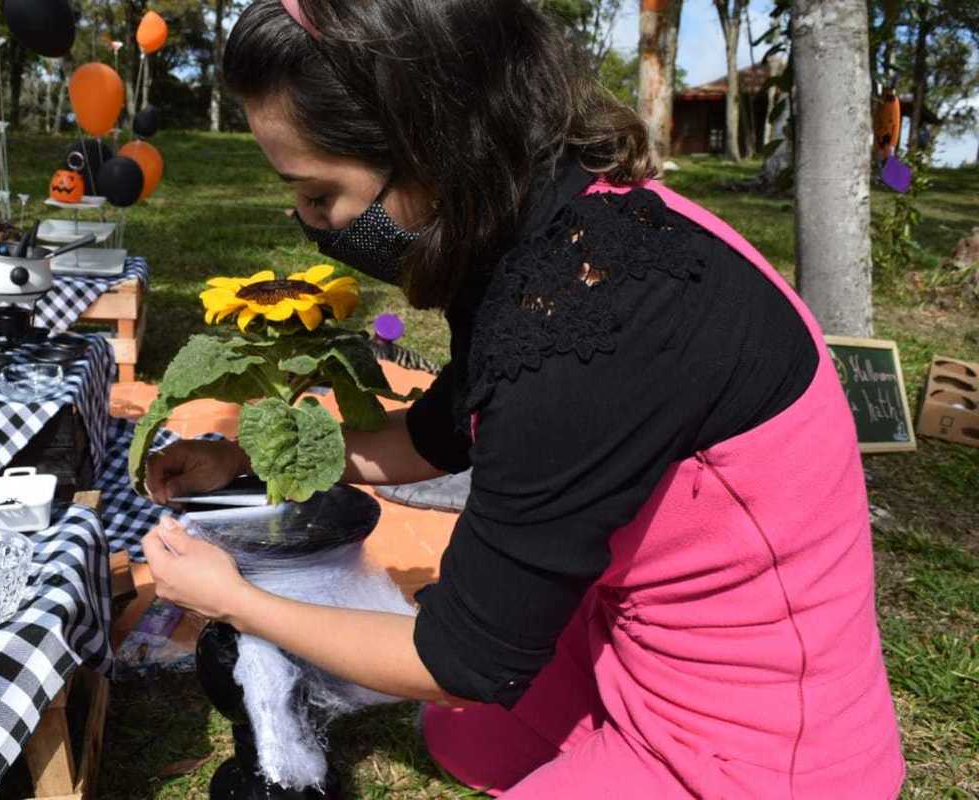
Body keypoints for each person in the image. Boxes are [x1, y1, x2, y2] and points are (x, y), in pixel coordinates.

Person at [140, 0, 906, 796]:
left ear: (429, 145)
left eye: (319, 195)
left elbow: (463, 662)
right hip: (629, 638)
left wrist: (234, 600)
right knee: (463, 743)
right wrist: (253, 459)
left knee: (463, 705)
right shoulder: (540, 228)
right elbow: (440, 436)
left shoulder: (587, 319)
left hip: (758, 743)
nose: (307, 223)